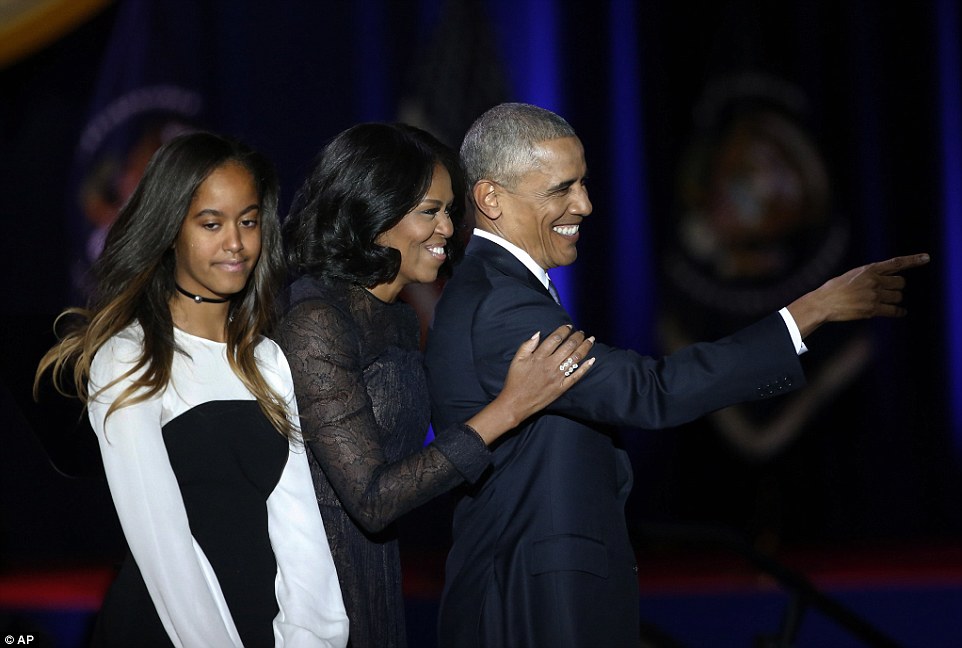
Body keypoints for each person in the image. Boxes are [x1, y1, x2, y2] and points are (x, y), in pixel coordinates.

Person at [423, 102, 930, 647]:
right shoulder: (501, 303)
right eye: (561, 189)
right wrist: (810, 311)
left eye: (584, 183)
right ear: (490, 198)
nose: (586, 205)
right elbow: (649, 392)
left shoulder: (499, 289)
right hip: (527, 604)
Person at [275, 122, 595, 648]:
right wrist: (509, 408)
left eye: (450, 210)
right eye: (429, 211)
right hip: (320, 587)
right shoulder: (317, 318)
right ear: (371, 213)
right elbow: (374, 498)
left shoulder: (397, 316)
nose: (448, 228)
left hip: (375, 570)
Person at [33, 132, 349, 647]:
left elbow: (300, 529)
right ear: (170, 230)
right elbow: (162, 541)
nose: (236, 242)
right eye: (211, 223)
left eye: (248, 221)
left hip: (264, 623)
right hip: (167, 627)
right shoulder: (129, 358)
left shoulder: (267, 358)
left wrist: (313, 638)